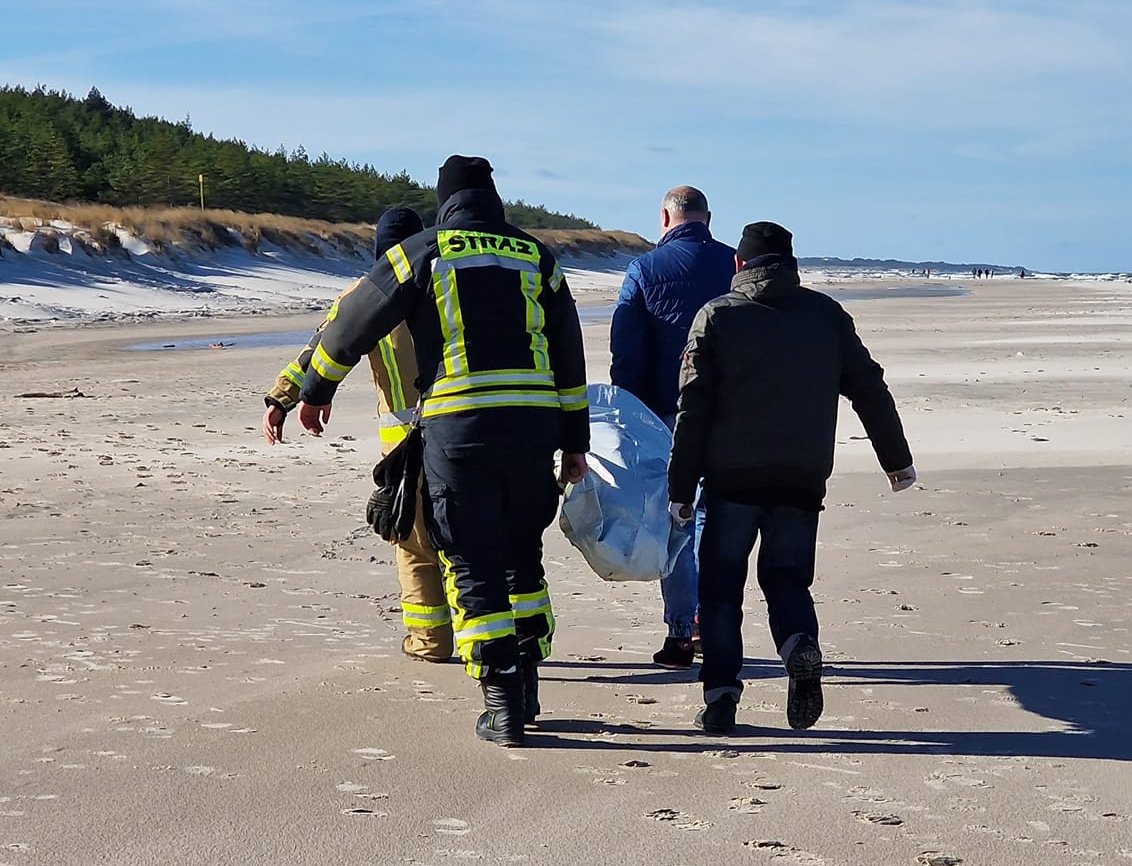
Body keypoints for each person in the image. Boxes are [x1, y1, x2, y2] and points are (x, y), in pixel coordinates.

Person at [295, 156, 590, 748]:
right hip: (532, 432)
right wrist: (574, 443)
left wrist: (314, 390)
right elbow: (569, 353)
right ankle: (528, 685)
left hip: (459, 432)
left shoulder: (424, 252)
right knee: (522, 555)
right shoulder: (537, 256)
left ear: (445, 200)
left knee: (472, 559)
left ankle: (502, 704)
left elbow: (352, 322)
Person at [668, 221, 916, 735]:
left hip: (732, 479)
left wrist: (679, 486)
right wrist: (896, 461)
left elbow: (692, 407)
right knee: (786, 581)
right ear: (792, 265)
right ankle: (799, 645)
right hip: (801, 478)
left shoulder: (717, 317)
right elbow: (869, 387)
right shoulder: (826, 315)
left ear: (738, 265)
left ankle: (720, 701)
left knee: (719, 592)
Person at [262, 207, 456, 663]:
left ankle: (429, 642)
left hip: (403, 444)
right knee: (464, 538)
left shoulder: (364, 294)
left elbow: (323, 350)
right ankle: (483, 642)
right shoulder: (452, 287)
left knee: (413, 542)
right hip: (463, 429)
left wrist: (283, 399)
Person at [610, 185, 734, 669]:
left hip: (665, 412)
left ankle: (681, 632)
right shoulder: (736, 266)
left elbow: (627, 348)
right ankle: (708, 622)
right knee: (710, 518)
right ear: (708, 217)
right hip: (726, 412)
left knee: (678, 518)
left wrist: (628, 411)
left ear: (665, 217)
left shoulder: (643, 269)